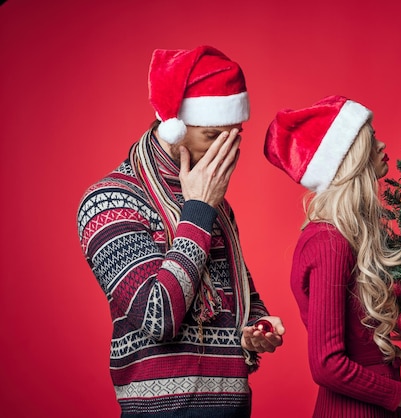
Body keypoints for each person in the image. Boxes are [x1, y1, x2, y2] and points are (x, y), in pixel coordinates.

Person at [77, 45, 285, 418]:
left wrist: (258, 327)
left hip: (234, 407)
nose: (225, 151)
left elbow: (243, 297)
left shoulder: (214, 205)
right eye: (211, 136)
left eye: (233, 136)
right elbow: (158, 317)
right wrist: (199, 210)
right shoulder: (109, 200)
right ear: (173, 129)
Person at [264, 95, 401, 417]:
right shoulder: (329, 242)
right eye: (370, 137)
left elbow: (371, 322)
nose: (381, 143)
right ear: (348, 156)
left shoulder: (355, 235)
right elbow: (327, 365)